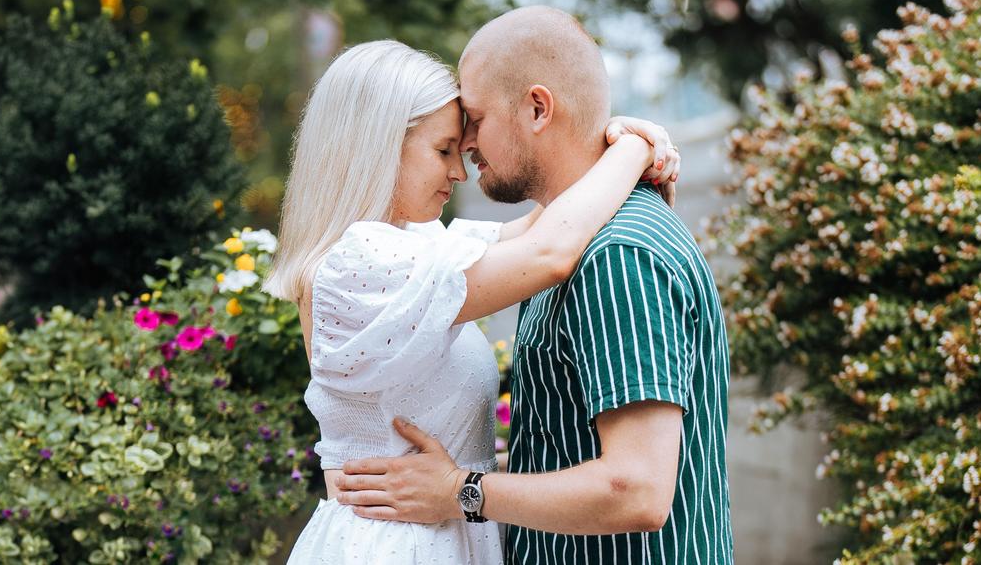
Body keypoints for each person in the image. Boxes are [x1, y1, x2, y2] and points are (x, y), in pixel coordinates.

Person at [335, 6, 734, 564]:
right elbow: (563, 448)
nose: (465, 143)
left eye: (475, 119)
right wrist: (635, 146)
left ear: (538, 108)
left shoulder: (616, 255)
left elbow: (636, 489)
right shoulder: (562, 243)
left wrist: (459, 492)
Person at [261, 38, 679, 565]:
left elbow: (540, 224)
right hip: (396, 545)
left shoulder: (417, 243)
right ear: (376, 147)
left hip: (438, 533)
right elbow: (549, 251)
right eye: (443, 150)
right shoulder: (360, 264)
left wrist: (612, 140)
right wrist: (637, 148)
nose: (459, 172)